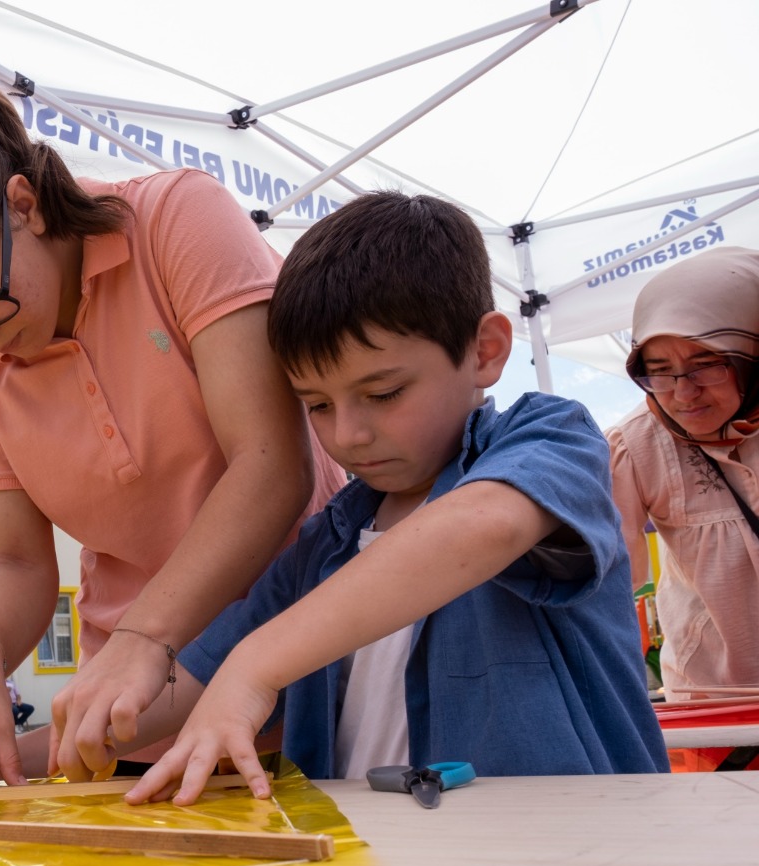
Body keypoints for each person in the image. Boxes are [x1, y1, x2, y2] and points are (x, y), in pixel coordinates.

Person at [0, 64, 343, 788]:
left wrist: (146, 635)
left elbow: (271, 463)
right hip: (126, 721)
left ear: (24, 203)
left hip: (305, 682)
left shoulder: (177, 223)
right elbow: (19, 563)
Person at [57, 191, 670, 805]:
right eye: (317, 405)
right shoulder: (325, 545)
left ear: (485, 351)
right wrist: (12, 751)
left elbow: (483, 524)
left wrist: (257, 665)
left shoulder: (552, 440)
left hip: (578, 857)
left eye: (383, 393)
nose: (347, 434)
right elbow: (193, 682)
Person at [606, 248, 759, 700]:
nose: (683, 393)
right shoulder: (634, 446)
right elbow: (610, 584)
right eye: (660, 373)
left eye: (707, 365)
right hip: (714, 703)